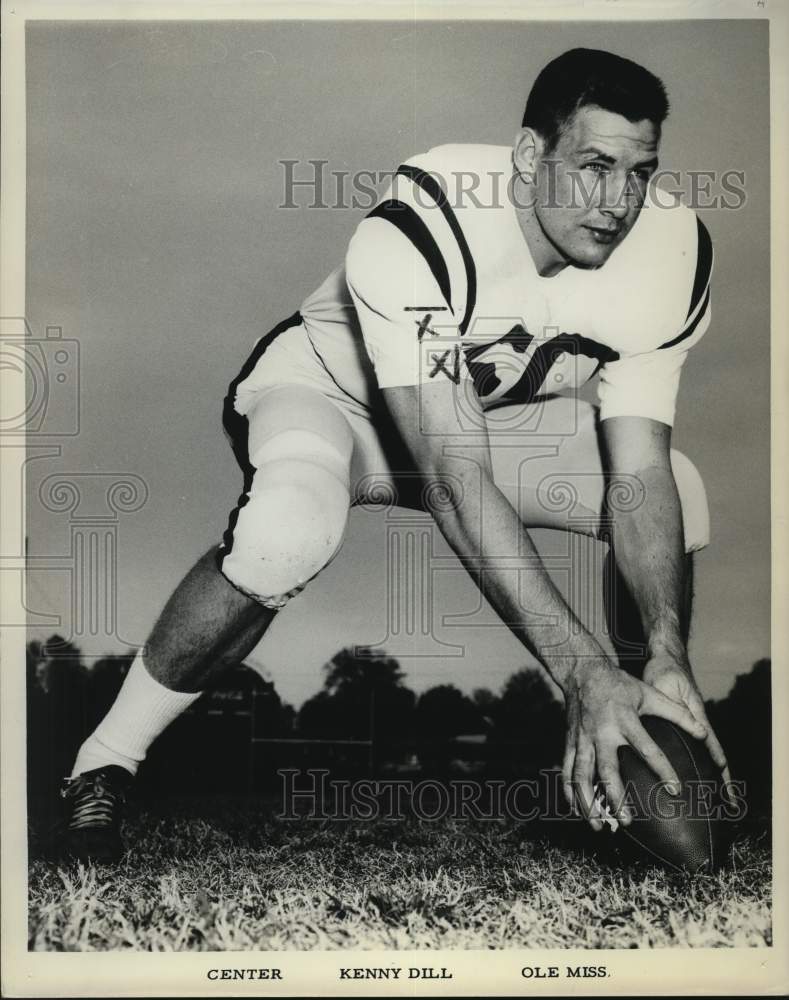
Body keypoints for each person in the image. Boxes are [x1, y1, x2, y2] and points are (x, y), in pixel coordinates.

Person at [61, 47, 729, 862]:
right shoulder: (429, 217)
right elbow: (455, 480)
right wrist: (578, 667)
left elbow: (638, 471)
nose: (619, 201)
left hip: (479, 418)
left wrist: (664, 647)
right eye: (593, 166)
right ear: (528, 156)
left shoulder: (670, 255)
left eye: (640, 172)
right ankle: (103, 766)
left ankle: (636, 751)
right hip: (337, 397)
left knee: (681, 491)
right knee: (287, 532)